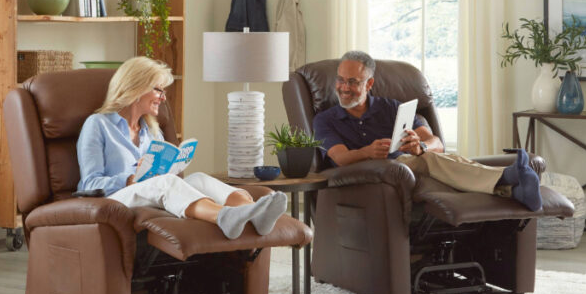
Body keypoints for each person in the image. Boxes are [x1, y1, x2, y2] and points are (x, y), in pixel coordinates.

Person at [77, 56, 286, 239]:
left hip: (151, 194)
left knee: (199, 179)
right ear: (136, 88)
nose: (163, 97)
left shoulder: (151, 131)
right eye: (158, 89)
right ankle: (223, 216)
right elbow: (89, 184)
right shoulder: (98, 124)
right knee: (165, 182)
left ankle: (253, 214)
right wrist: (131, 179)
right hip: (114, 200)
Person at [312, 51, 543, 211]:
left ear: (369, 84)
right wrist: (369, 152)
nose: (344, 88)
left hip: (406, 173)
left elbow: (436, 143)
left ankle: (511, 190)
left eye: (353, 82)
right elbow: (340, 158)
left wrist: (420, 146)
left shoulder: (391, 108)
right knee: (430, 161)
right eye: (340, 80)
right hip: (368, 176)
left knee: (431, 157)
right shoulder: (325, 119)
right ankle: (507, 177)